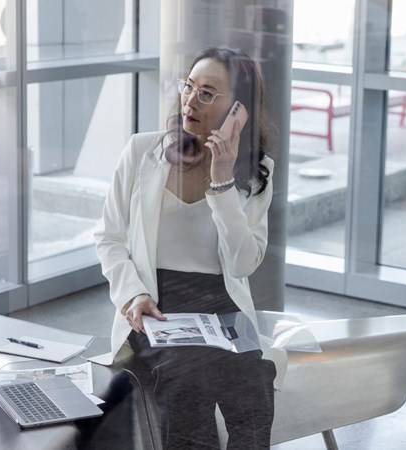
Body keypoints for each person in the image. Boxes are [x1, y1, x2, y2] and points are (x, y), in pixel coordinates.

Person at [94, 46, 279, 449]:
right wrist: (133, 294)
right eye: (189, 87)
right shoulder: (143, 151)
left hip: (220, 301)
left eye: (208, 93)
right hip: (156, 301)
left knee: (254, 387)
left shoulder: (257, 173)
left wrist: (223, 181)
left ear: (239, 110)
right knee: (186, 382)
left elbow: (243, 263)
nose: (190, 100)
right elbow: (109, 238)